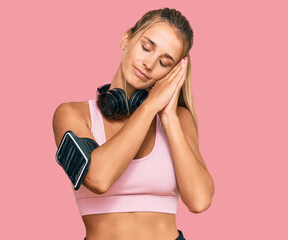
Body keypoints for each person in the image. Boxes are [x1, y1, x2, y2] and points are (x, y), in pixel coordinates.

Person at [52, 8, 214, 240]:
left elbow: (199, 201)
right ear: (127, 38)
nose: (149, 64)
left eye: (165, 62)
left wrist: (167, 116)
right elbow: (97, 178)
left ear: (174, 71)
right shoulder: (72, 114)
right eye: (146, 47)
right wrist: (149, 107)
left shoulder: (178, 118)